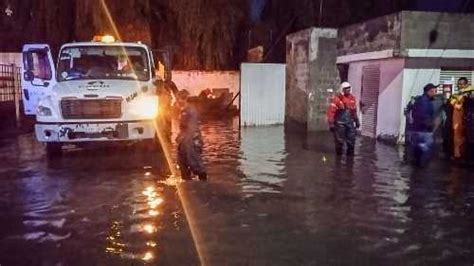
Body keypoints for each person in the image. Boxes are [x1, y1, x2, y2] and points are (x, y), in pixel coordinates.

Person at [176, 90, 207, 181]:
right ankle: (187, 185)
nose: (177, 102)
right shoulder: (183, 111)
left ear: (183, 99)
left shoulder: (191, 111)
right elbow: (183, 128)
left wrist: (186, 141)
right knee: (182, 163)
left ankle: (204, 184)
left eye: (178, 99)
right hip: (183, 140)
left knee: (194, 162)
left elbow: (192, 128)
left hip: (191, 140)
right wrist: (180, 138)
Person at [326, 82, 360, 156]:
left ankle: (350, 161)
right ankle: (338, 160)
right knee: (339, 142)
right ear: (342, 90)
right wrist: (331, 123)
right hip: (339, 123)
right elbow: (331, 112)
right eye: (346, 89)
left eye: (349, 89)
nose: (348, 90)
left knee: (351, 141)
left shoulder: (352, 98)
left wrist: (356, 120)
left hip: (350, 123)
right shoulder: (337, 99)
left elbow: (354, 111)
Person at [410, 83, 437, 167]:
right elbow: (423, 116)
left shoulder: (420, 100)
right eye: (433, 91)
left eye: (435, 91)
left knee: (418, 152)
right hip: (424, 131)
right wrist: (431, 126)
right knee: (424, 153)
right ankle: (421, 172)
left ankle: (416, 172)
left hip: (417, 130)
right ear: (428, 92)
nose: (435, 93)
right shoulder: (424, 102)